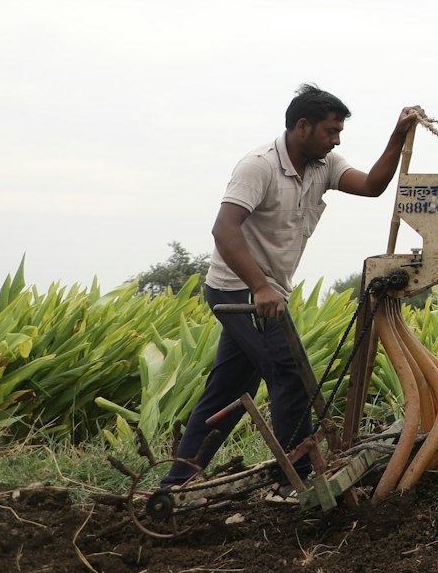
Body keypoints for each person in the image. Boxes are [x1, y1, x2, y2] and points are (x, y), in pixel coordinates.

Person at [161, 85, 422, 487]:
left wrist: (397, 136)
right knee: (290, 373)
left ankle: (174, 484)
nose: (336, 139)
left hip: (266, 294)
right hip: (238, 290)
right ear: (303, 127)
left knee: (229, 391)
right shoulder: (259, 166)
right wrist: (260, 287)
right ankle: (298, 477)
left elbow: (371, 185)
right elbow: (224, 229)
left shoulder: (324, 164)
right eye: (330, 131)